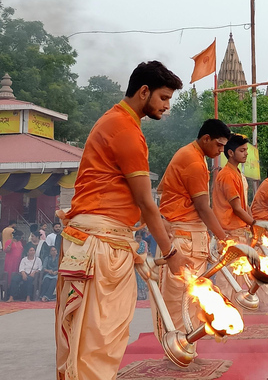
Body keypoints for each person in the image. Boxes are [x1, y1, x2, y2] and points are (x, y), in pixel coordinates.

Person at [55, 61, 192, 380]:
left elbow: (132, 200)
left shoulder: (116, 121)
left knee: (98, 341)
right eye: (163, 98)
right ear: (144, 92)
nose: (166, 107)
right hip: (99, 245)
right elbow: (146, 202)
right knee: (96, 345)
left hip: (102, 241)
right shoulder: (126, 130)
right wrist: (170, 254)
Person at [151, 119, 236, 344]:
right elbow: (203, 208)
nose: (221, 151)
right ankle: (178, 351)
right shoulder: (194, 161)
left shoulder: (196, 157)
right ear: (205, 138)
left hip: (191, 237)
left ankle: (188, 350)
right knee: (179, 300)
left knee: (192, 299)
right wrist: (224, 238)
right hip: (181, 238)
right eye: (218, 146)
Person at [3, 230, 24, 295]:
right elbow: (6, 250)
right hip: (10, 261)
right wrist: (11, 243)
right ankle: (8, 292)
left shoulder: (20, 242)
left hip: (18, 261)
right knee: (9, 276)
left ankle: (15, 292)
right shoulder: (9, 241)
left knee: (16, 275)